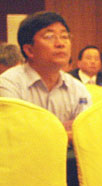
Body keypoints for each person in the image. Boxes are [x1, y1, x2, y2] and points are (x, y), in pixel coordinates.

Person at [0, 11, 91, 141]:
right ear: (29, 50)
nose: (60, 43)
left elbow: (86, 133)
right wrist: (65, 133)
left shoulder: (77, 88)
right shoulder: (9, 84)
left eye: (64, 36)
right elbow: (16, 135)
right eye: (49, 37)